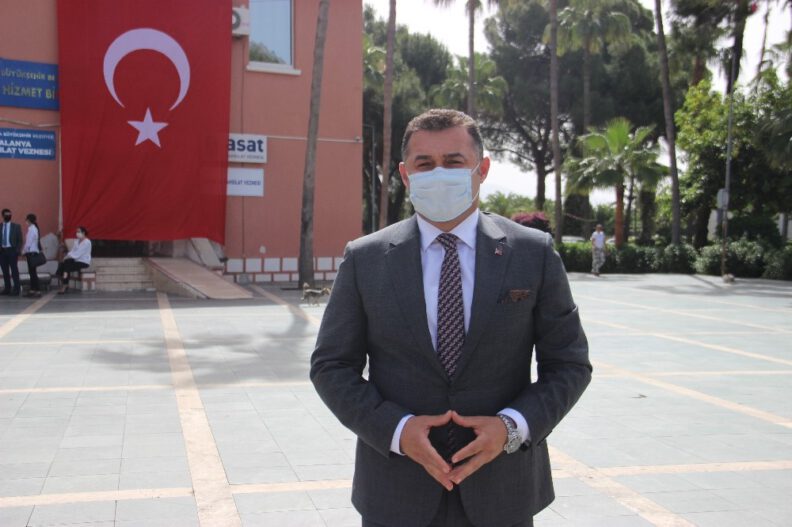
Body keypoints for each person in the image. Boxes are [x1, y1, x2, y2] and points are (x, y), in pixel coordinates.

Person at [310, 109, 591, 527]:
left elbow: (569, 364)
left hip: (502, 490)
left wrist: (511, 428)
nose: (438, 173)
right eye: (425, 163)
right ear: (405, 175)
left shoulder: (533, 254)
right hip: (395, 491)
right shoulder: (365, 259)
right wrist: (396, 430)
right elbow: (331, 366)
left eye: (454, 162)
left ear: (482, 169)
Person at [56, 226, 92, 294]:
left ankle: (64, 284)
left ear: (83, 233)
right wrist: (67, 256)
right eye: (76, 232)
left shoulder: (87, 242)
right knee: (65, 264)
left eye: (79, 232)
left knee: (66, 265)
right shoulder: (77, 241)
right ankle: (64, 282)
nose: (77, 233)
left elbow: (78, 253)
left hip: (83, 262)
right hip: (76, 260)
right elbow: (72, 251)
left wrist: (68, 257)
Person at [0, 209, 23, 296]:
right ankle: (7, 288)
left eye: (9, 214)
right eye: (6, 214)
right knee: (5, 271)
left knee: (14, 270)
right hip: (2, 251)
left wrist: (17, 250)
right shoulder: (0, 226)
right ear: (3, 216)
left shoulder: (16, 226)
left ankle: (16, 288)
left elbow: (20, 240)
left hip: (12, 250)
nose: (8, 216)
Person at [23, 213, 45, 297]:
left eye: (26, 220)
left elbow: (28, 243)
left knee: (32, 273)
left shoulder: (32, 229)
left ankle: (36, 290)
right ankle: (33, 289)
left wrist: (24, 251)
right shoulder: (34, 228)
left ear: (29, 220)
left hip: (31, 253)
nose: (25, 221)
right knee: (32, 272)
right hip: (33, 252)